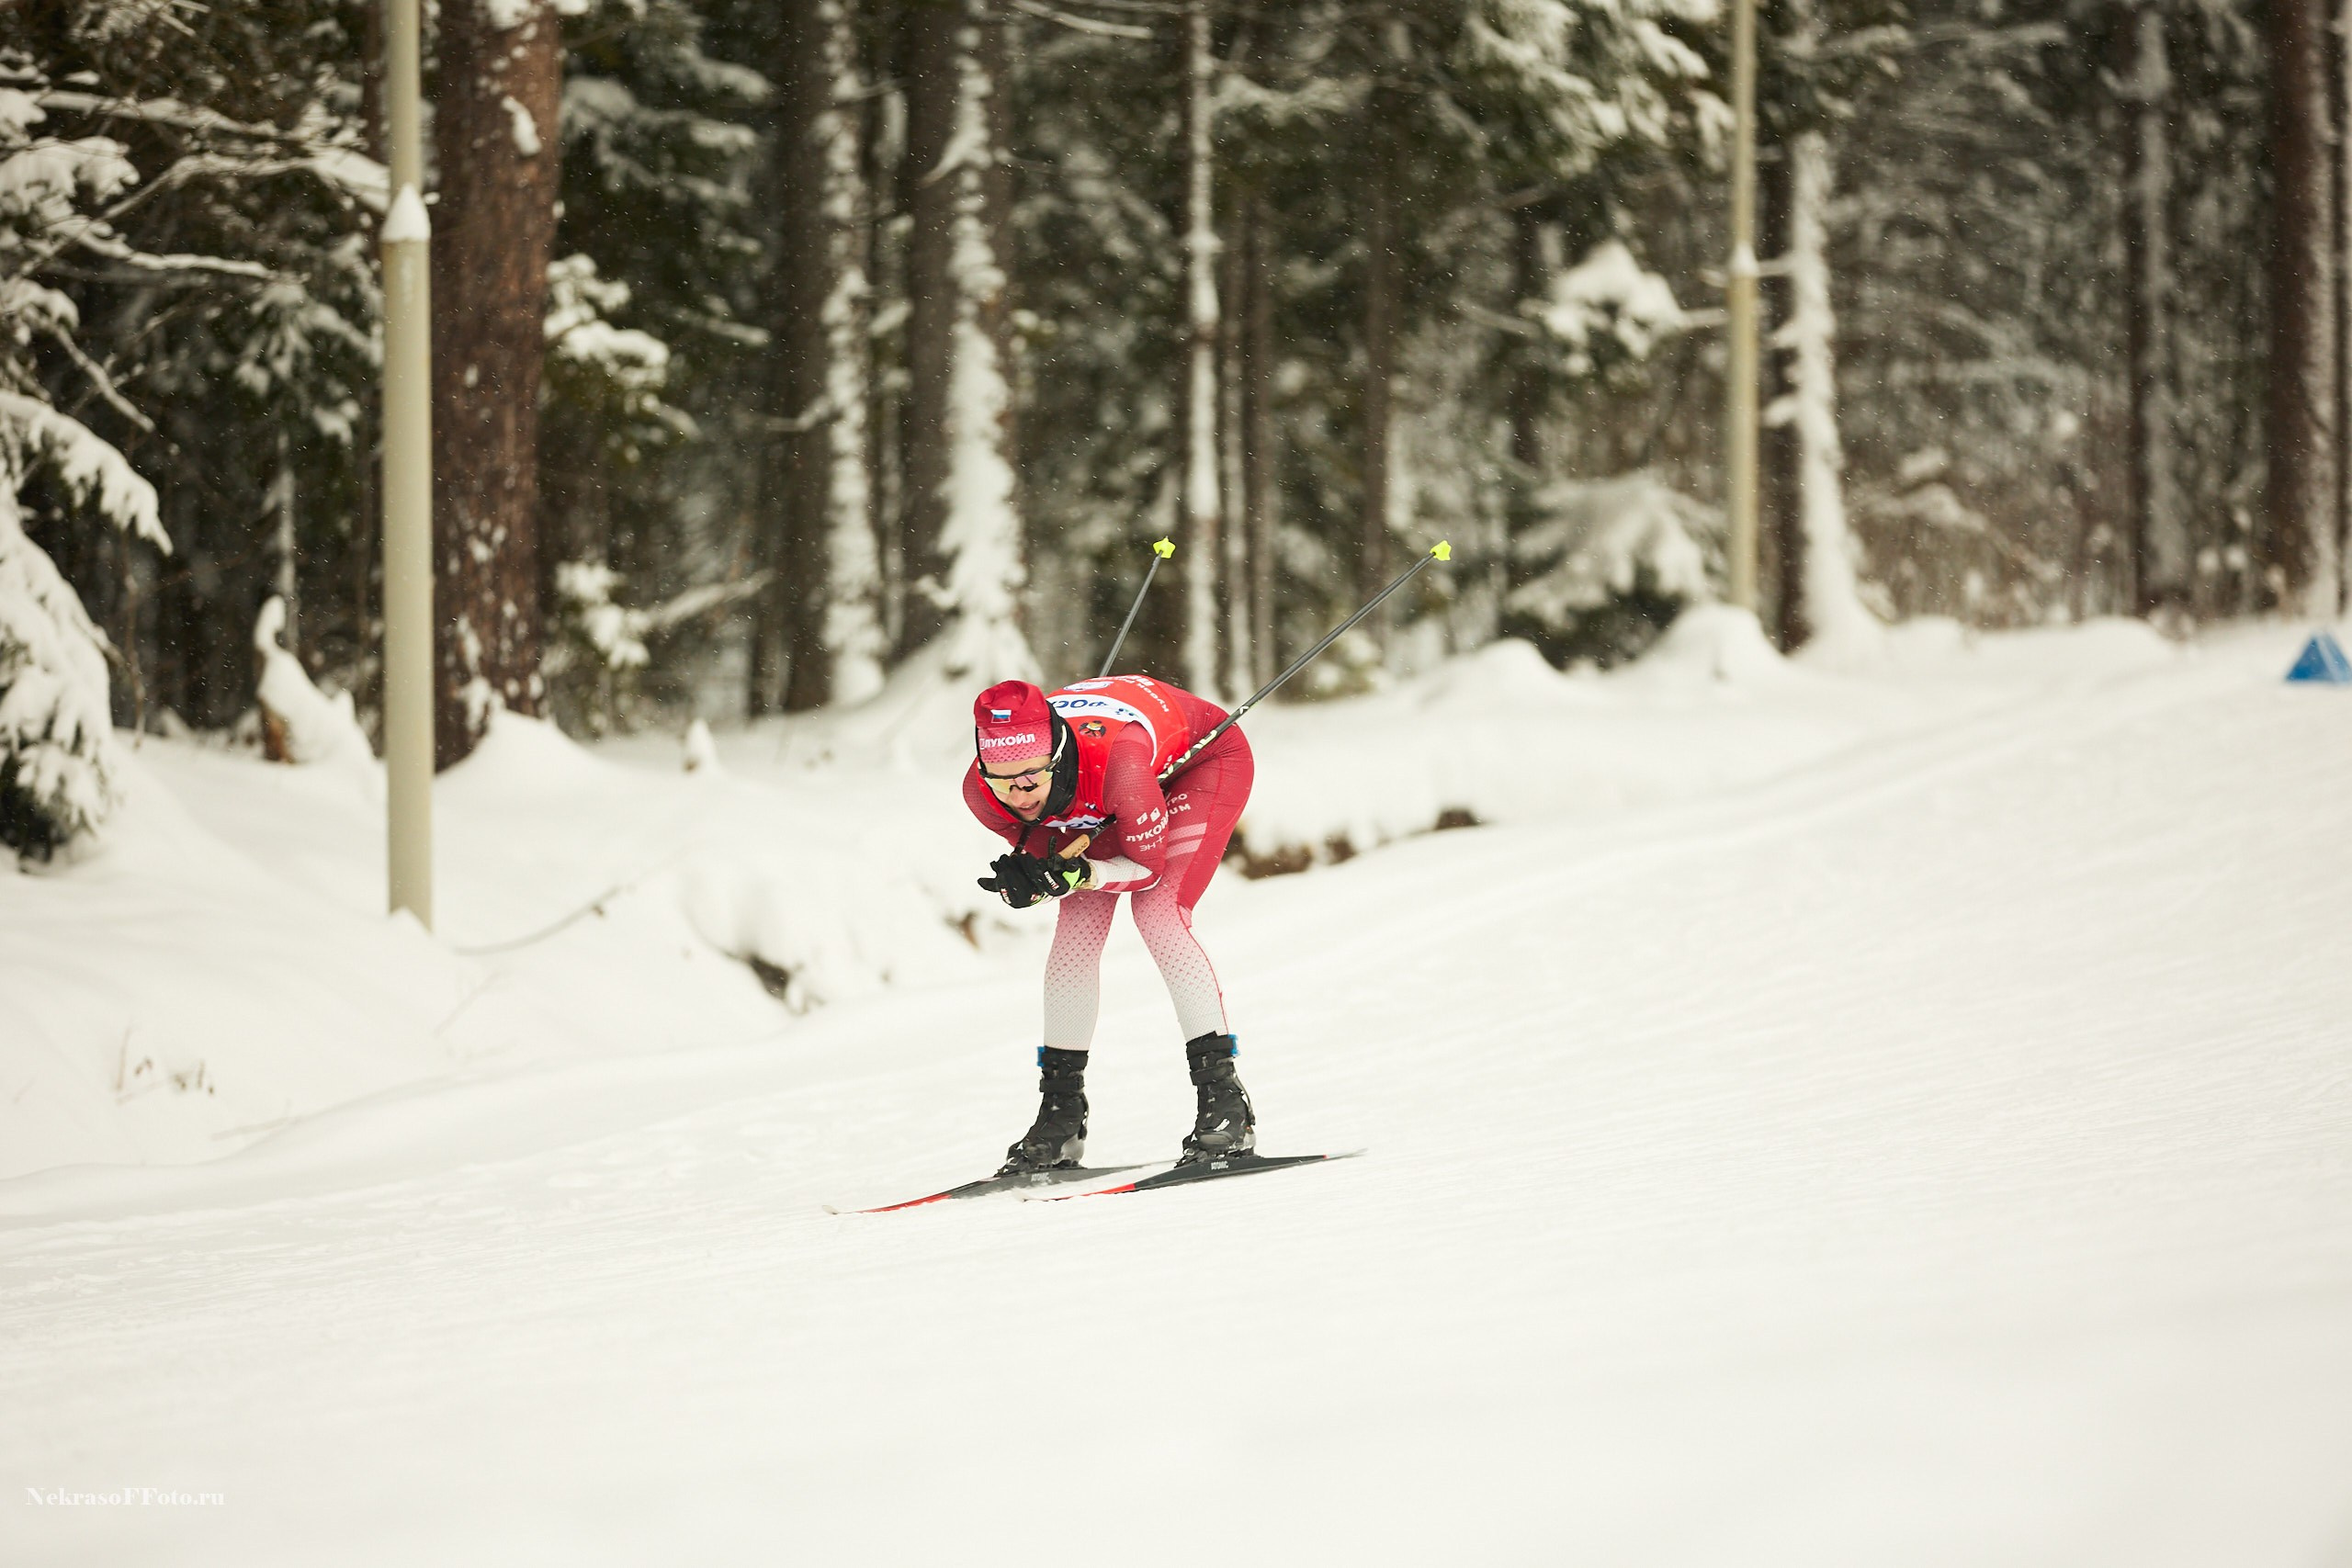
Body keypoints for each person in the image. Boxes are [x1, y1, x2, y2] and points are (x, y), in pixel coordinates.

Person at [966, 673, 1255, 1175]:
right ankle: (1061, 1113)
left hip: (1199, 763)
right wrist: (1033, 876)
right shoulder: (982, 794)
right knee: (1074, 933)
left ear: (1054, 756)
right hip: (1103, 791)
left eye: (1031, 776)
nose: (1019, 795)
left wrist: (1078, 872)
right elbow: (1045, 851)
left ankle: (1224, 1101)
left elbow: (1146, 870)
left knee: (1160, 913)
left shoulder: (1118, 766)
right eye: (1002, 780)